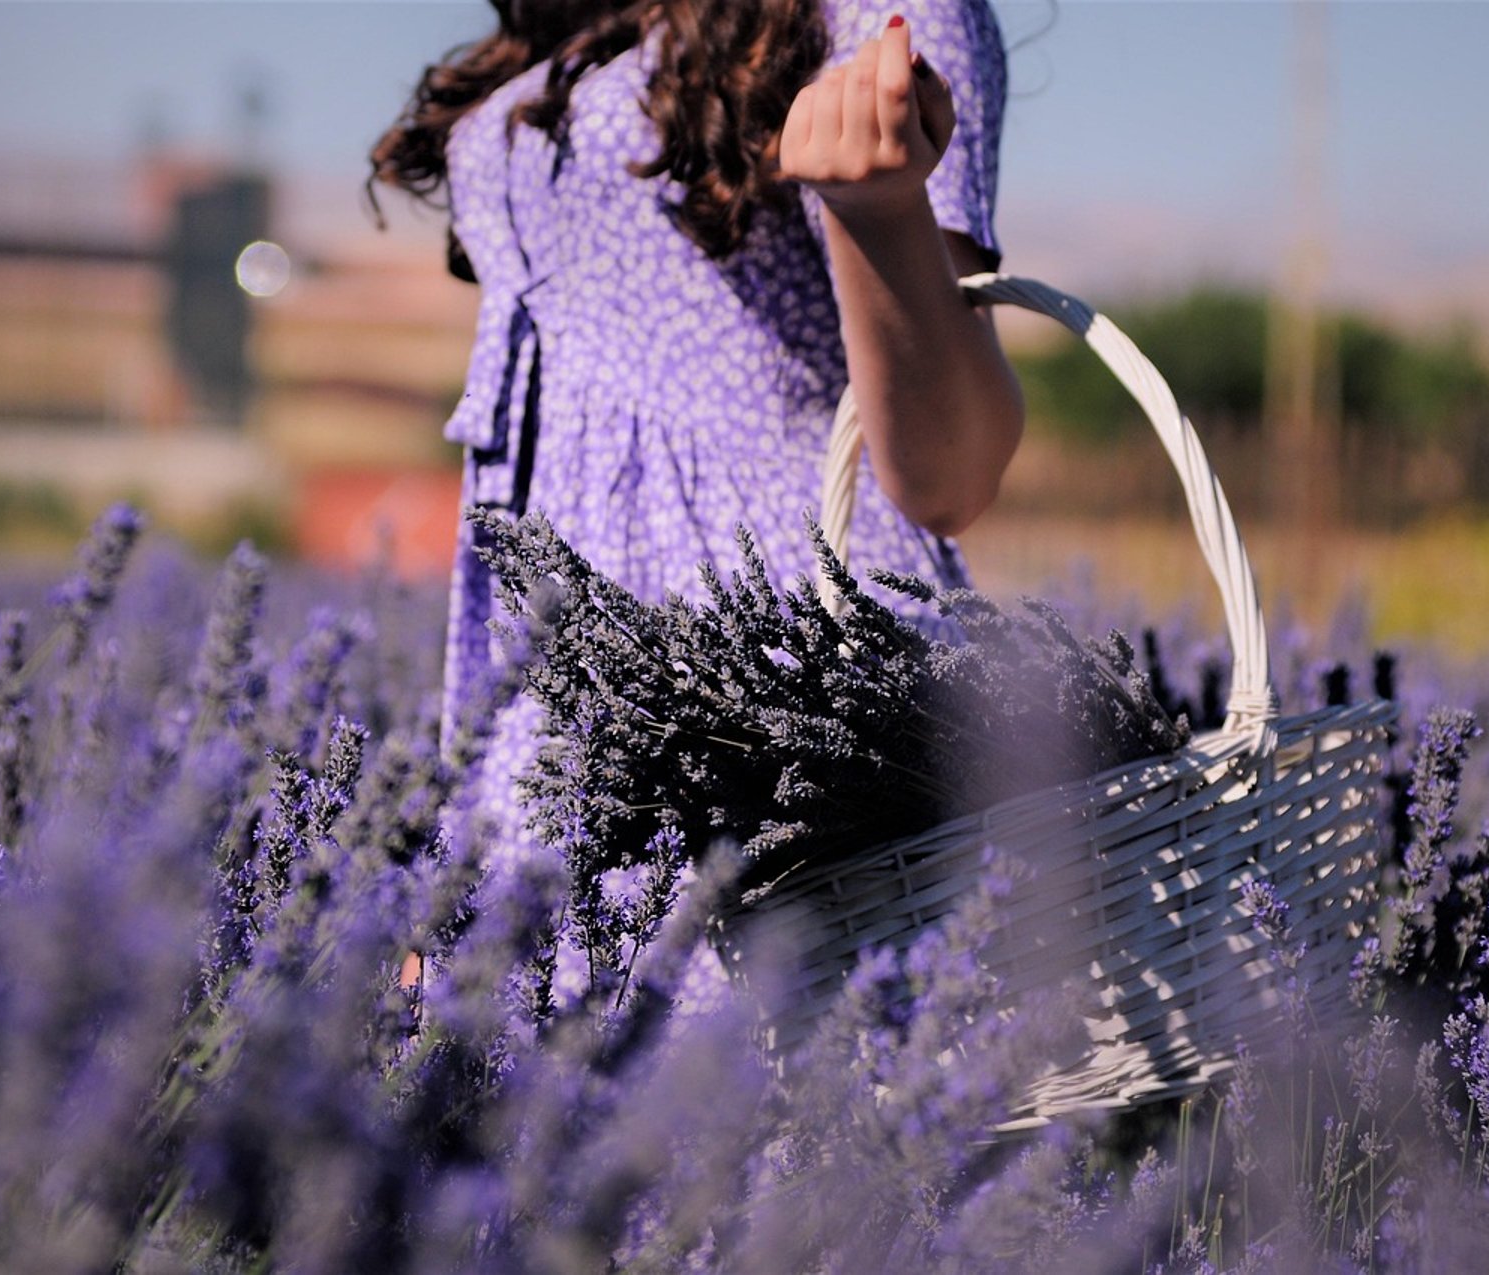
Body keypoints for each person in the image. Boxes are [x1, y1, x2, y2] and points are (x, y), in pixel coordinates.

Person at [368, 0, 1024, 889]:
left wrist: (881, 209)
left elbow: (953, 472)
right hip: (558, 679)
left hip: (762, 670)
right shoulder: (599, 21)